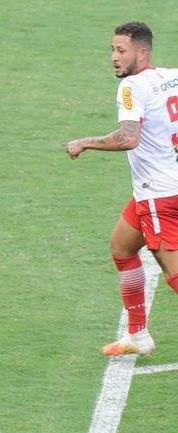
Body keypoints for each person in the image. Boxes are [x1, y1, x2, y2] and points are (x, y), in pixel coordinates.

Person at [66, 22, 178, 357]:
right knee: (122, 246)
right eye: (113, 50)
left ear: (141, 53)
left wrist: (84, 142)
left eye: (121, 51)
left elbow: (128, 138)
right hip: (161, 187)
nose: (114, 57)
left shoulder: (131, 87)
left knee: (173, 272)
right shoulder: (172, 76)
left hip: (159, 194)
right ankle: (137, 334)